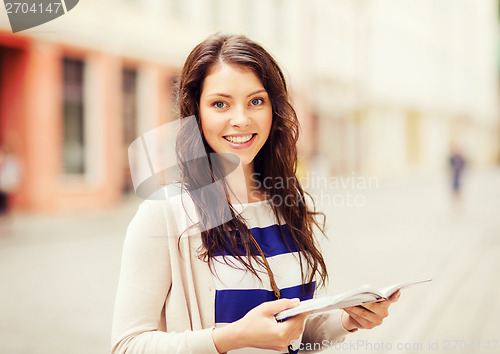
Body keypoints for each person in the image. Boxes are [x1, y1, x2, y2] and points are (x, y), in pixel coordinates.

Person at [111, 33, 400, 354]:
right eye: (220, 104)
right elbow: (127, 345)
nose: (241, 119)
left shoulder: (287, 203)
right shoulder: (165, 213)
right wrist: (232, 338)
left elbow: (292, 335)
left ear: (273, 109)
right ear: (196, 113)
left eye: (256, 101)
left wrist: (347, 320)